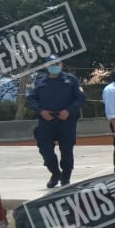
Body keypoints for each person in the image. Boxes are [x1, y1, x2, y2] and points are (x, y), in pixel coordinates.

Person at [27, 56, 86, 188]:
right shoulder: (40, 81)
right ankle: (55, 173)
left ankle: (66, 177)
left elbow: (81, 98)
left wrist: (69, 111)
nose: (54, 66)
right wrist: (41, 111)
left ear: (61, 65)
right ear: (45, 66)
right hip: (46, 120)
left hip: (66, 120)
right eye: (51, 64)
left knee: (66, 150)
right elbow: (32, 98)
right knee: (46, 150)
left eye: (57, 63)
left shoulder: (71, 79)